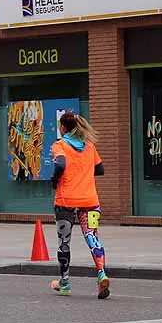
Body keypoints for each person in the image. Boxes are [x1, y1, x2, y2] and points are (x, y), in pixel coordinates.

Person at [50, 110, 109, 299]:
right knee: (93, 236)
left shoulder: (59, 146)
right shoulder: (89, 146)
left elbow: (60, 164)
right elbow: (100, 169)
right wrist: (83, 173)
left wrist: (54, 180)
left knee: (64, 242)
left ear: (63, 127)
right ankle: (101, 273)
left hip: (66, 201)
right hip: (91, 201)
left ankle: (65, 282)